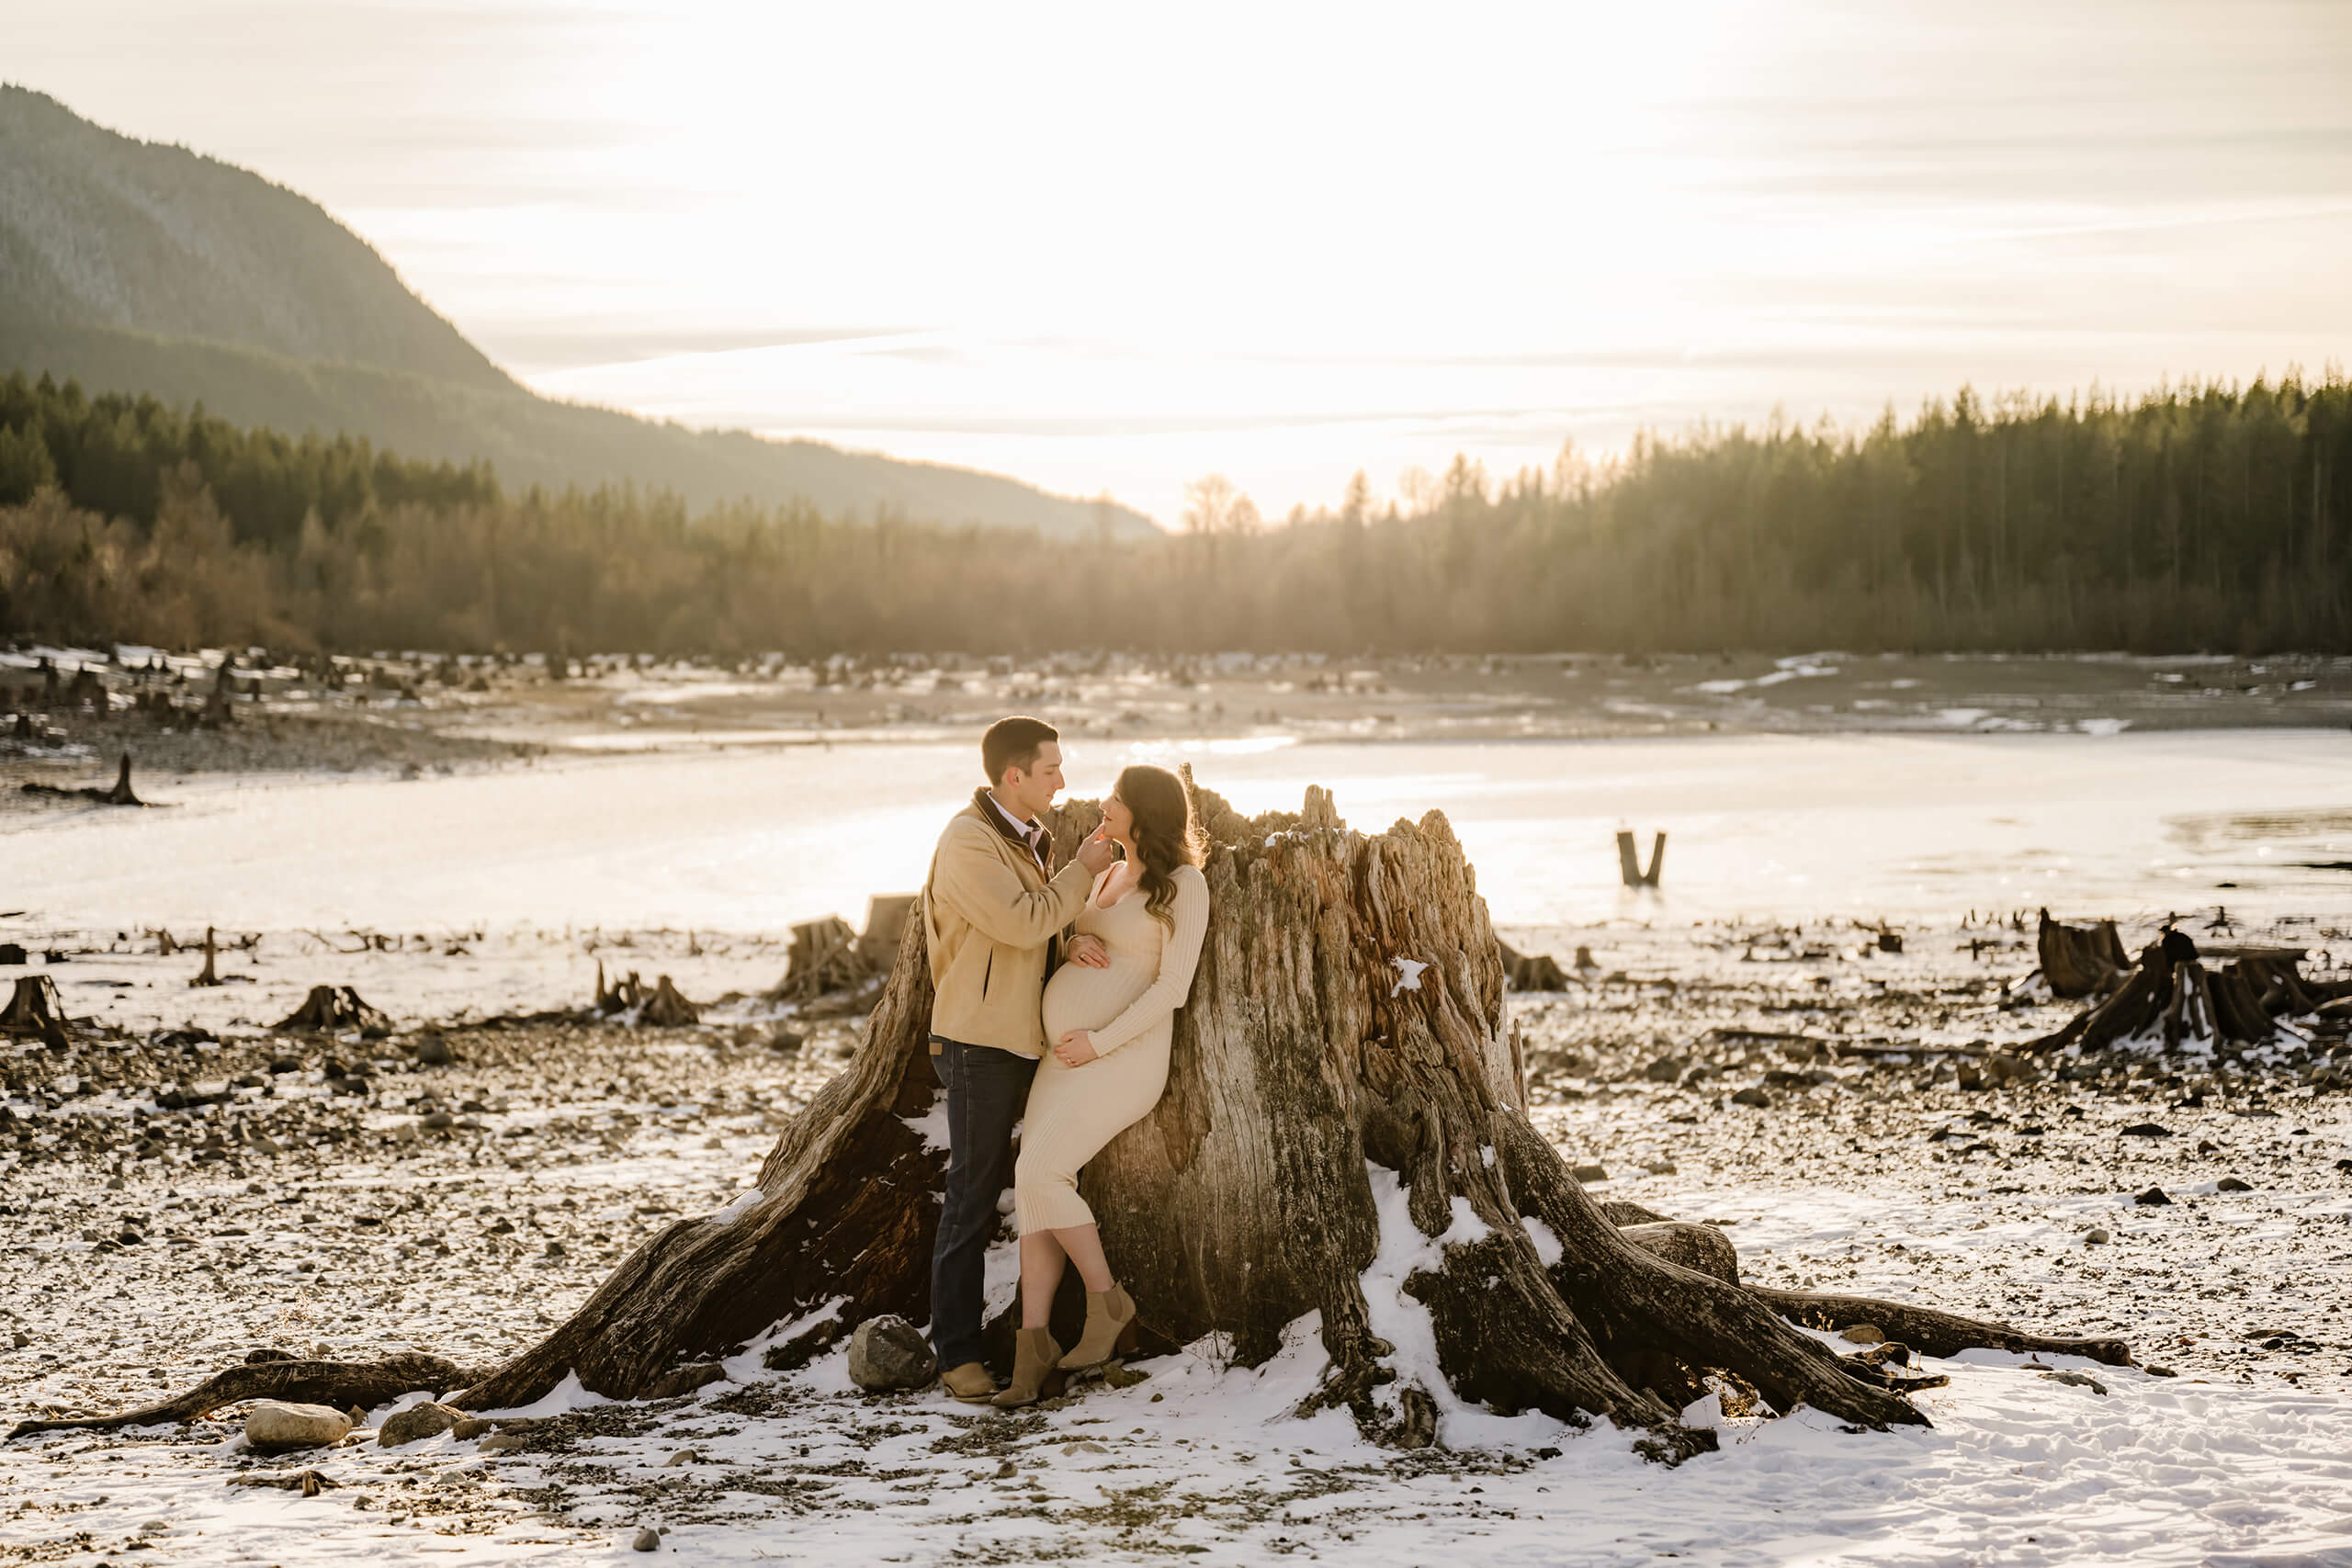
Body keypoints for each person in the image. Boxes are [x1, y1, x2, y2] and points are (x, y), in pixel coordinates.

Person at [993, 763, 1210, 1407]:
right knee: (1034, 1180)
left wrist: (1098, 1041)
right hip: (1068, 1059)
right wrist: (1073, 941)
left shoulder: (1185, 884)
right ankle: (1032, 1349)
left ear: (1144, 812)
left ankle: (1108, 1302)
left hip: (1124, 1059)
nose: (1103, 804)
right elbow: (1088, 941)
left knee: (1040, 1176)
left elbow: (1172, 988)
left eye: (1116, 797)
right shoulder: (1111, 871)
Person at [921, 716, 1117, 1402]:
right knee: (972, 1197)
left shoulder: (1024, 835)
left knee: (1038, 1178)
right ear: (1013, 776)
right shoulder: (967, 840)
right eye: (1050, 770)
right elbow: (1019, 919)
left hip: (1022, 1037)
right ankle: (957, 1354)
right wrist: (1080, 872)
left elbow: (1029, 935)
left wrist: (1072, 946)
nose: (1063, 782)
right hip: (978, 1042)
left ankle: (1046, 1332)